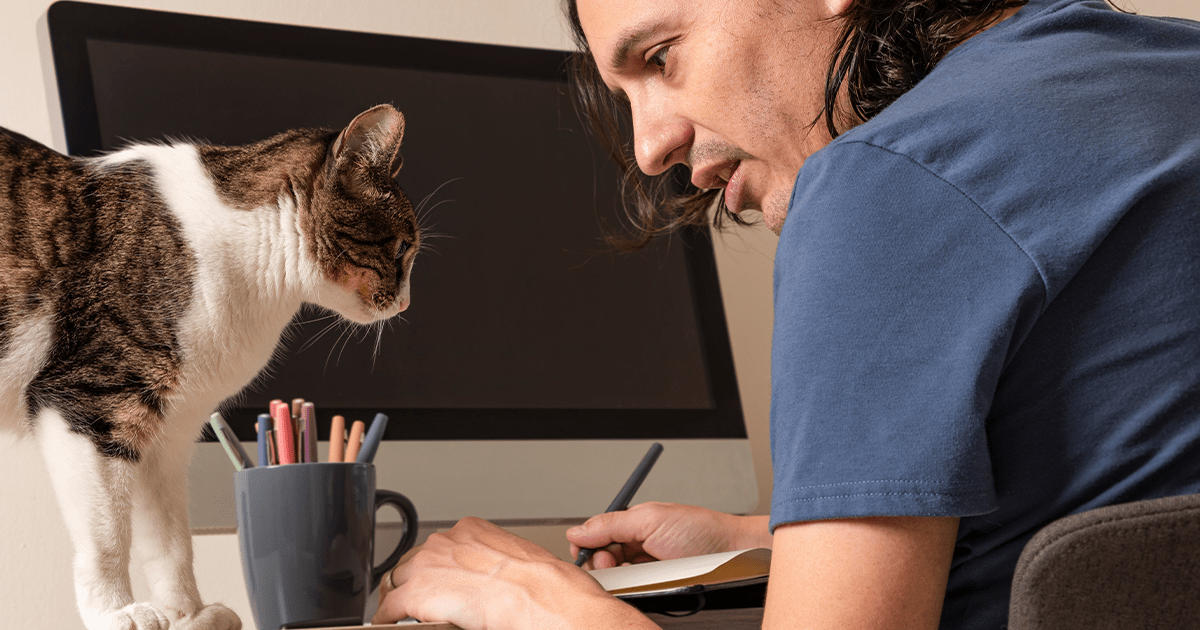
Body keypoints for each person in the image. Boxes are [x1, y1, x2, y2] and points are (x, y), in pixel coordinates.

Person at [374, 0, 1200, 628]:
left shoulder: (883, 179)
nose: (648, 147)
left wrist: (541, 604)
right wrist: (777, 539)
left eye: (661, 57)